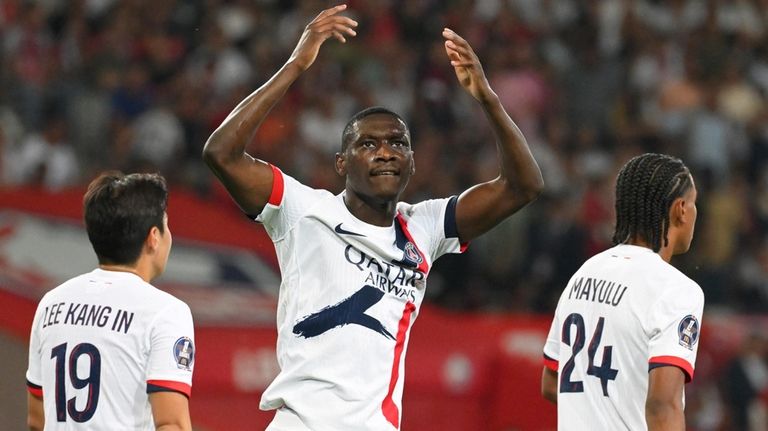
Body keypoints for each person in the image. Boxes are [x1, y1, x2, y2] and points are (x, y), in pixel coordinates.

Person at [202, 4, 543, 430]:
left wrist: (487, 99)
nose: (385, 151)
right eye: (368, 144)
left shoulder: (425, 226)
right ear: (341, 163)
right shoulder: (303, 210)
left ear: (412, 163)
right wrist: (295, 65)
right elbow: (221, 154)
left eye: (397, 143)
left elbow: (523, 186)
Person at [541, 153, 704, 430]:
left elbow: (550, 382)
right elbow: (663, 406)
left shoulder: (584, 273)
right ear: (681, 209)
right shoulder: (677, 290)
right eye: (694, 202)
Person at [25, 172, 195, 431]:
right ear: (154, 237)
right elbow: (172, 424)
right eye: (166, 224)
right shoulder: (166, 312)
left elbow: (37, 420)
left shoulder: (51, 304)